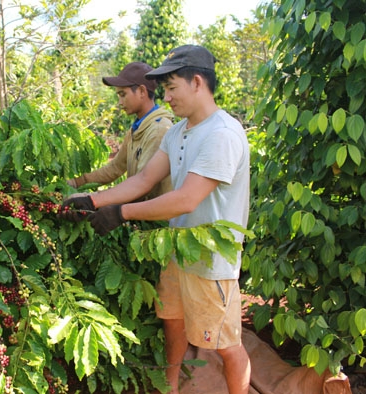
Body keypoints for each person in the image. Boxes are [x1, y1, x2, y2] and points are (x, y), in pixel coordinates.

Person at [62, 45, 251, 394]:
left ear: (197, 82)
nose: (166, 97)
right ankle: (171, 388)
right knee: (173, 325)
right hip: (176, 250)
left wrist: (121, 213)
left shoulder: (222, 134)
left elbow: (186, 198)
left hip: (211, 260)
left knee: (226, 344)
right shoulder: (178, 132)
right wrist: (91, 200)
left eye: (171, 87)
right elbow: (144, 179)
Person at [66, 61, 173, 202]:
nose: (120, 102)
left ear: (142, 91)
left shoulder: (158, 131)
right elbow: (115, 168)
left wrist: (95, 199)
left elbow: (142, 185)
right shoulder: (137, 128)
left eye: (123, 94)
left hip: (157, 219)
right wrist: (76, 182)